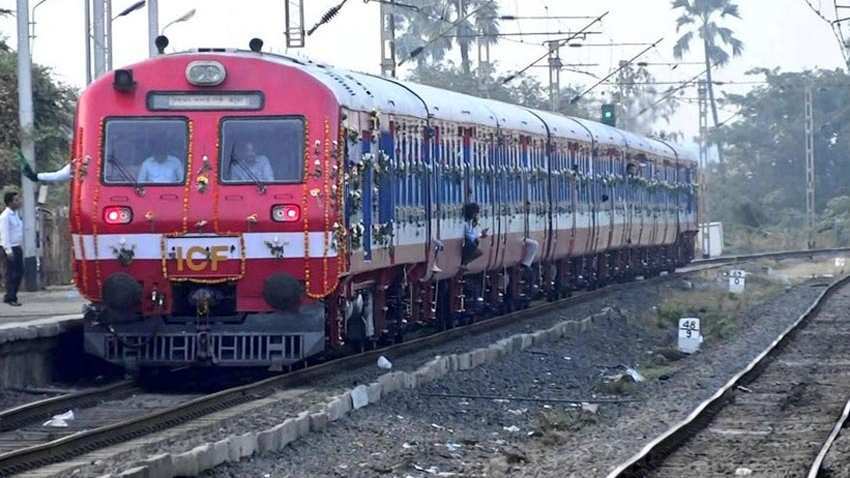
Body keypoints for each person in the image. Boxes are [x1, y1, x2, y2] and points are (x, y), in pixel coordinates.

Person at [0, 192, 24, 306]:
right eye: (16, 200)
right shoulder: (5, 216)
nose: (19, 202)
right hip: (9, 248)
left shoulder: (16, 215)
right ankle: (11, 297)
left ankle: (12, 295)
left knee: (19, 272)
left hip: (17, 246)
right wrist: (8, 250)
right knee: (11, 273)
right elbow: (4, 234)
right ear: (10, 202)